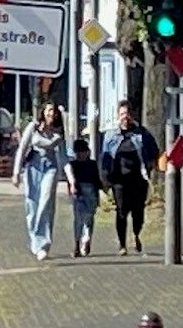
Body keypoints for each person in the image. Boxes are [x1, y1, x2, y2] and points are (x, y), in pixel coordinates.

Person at [101, 100, 161, 256]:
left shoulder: (142, 133)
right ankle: (122, 244)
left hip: (138, 179)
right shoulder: (110, 135)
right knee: (121, 211)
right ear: (118, 116)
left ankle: (136, 234)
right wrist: (106, 180)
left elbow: (154, 151)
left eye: (127, 113)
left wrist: (151, 166)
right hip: (119, 180)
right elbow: (105, 159)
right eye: (122, 114)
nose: (125, 117)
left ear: (132, 115)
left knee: (138, 210)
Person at [12, 101, 66, 260]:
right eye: (49, 110)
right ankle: (35, 241)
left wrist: (70, 177)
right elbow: (22, 148)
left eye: (54, 111)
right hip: (33, 168)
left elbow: (63, 155)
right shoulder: (33, 127)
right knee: (32, 206)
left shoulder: (58, 131)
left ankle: (44, 243)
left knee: (46, 202)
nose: (51, 114)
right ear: (43, 112)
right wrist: (16, 172)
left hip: (50, 168)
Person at [66, 137, 102, 258]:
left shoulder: (92, 164)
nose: (81, 154)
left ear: (87, 152)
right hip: (79, 194)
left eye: (83, 152)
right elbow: (70, 182)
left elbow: (97, 181)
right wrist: (72, 193)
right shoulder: (73, 165)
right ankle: (77, 244)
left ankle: (86, 241)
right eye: (79, 152)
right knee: (79, 220)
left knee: (88, 220)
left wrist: (100, 194)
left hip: (90, 193)